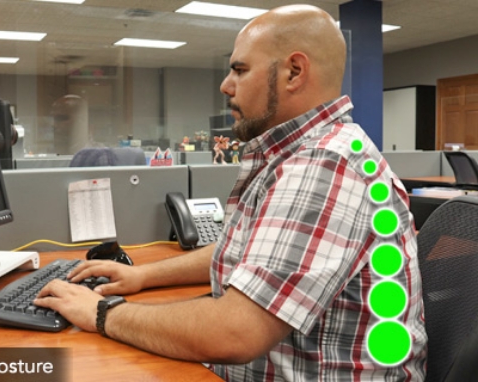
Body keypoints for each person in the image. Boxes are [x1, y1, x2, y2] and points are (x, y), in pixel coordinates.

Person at [35, 4, 427, 381]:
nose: (225, 85)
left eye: (240, 70)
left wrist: (103, 312)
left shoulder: (324, 164)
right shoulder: (302, 154)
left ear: (294, 72)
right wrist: (142, 277)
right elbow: (248, 252)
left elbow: (236, 333)